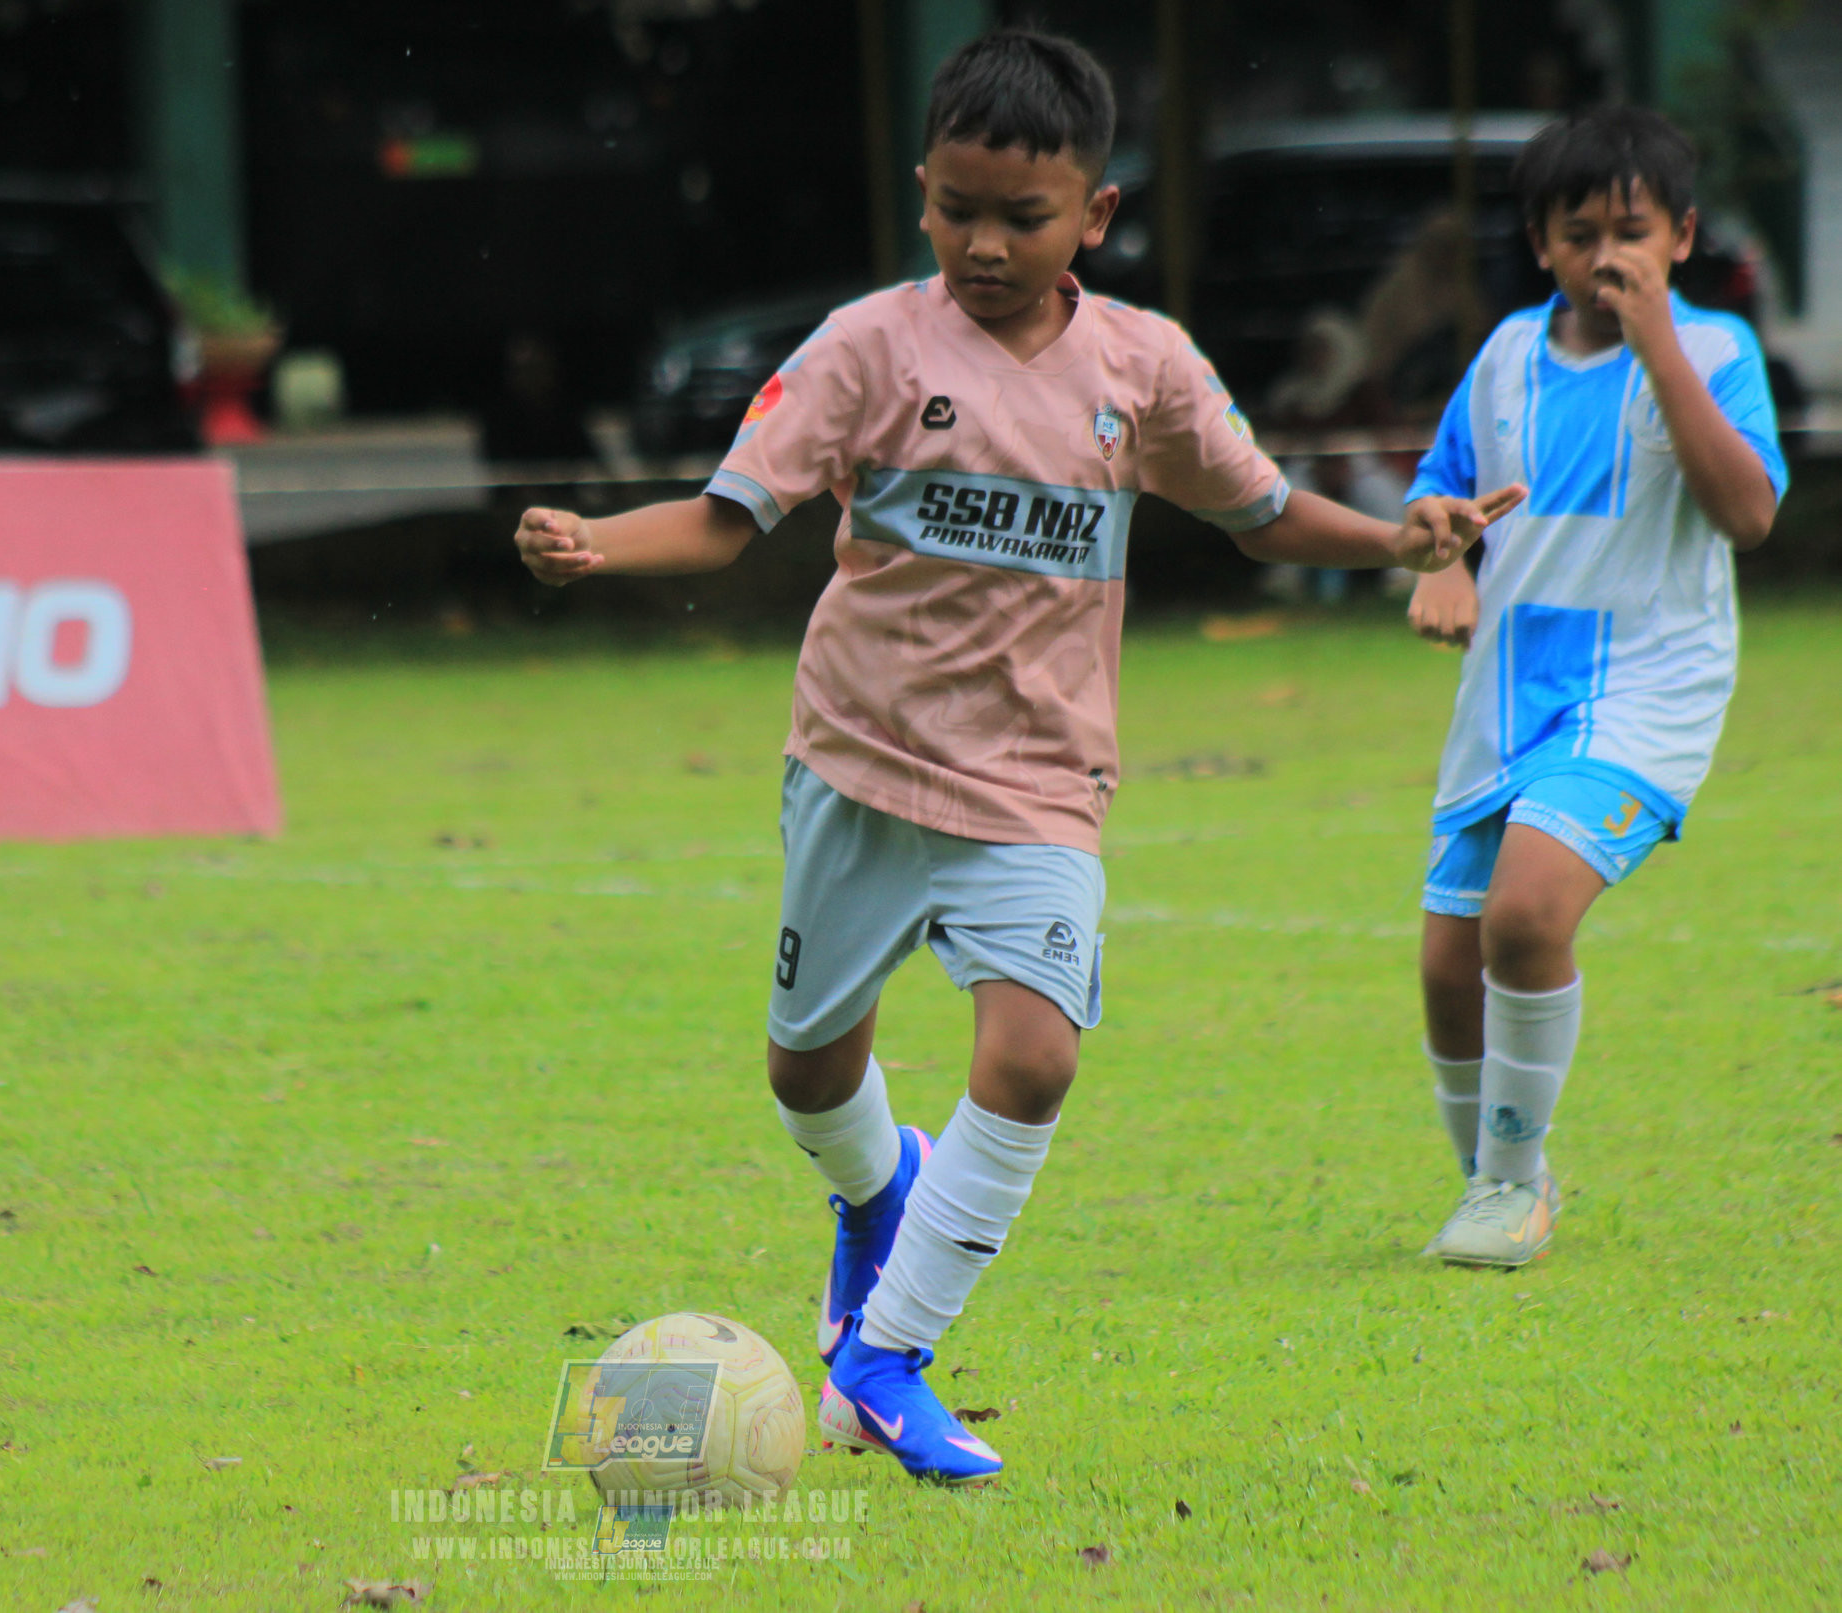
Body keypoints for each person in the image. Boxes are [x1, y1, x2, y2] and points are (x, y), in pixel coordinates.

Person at [516, 29, 1514, 1483]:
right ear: (921, 190)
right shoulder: (862, 350)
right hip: (855, 763)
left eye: (1021, 217)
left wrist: (1387, 540)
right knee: (805, 1075)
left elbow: (1256, 509)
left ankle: (885, 1355)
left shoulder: (1142, 367)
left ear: (1091, 217)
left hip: (1036, 785)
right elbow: (732, 516)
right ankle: (878, 1191)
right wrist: (593, 543)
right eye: (955, 209)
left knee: (1032, 1056)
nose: (983, 244)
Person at [1403, 107, 1784, 1268]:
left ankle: (1512, 1185)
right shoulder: (1506, 356)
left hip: (1646, 690)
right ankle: (1491, 1180)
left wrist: (1658, 342)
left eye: (1631, 230)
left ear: (1681, 235)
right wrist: (1442, 558)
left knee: (1525, 914)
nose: (1605, 256)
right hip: (1507, 692)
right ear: (1540, 244)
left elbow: (1749, 512)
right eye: (1581, 234)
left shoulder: (1714, 351)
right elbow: (1442, 495)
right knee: (1444, 963)